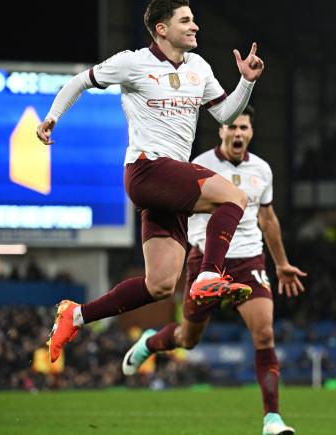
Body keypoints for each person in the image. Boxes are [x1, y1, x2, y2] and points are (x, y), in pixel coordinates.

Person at [35, 0, 265, 363]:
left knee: (159, 286)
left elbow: (224, 113)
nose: (195, 27)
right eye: (186, 21)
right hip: (148, 169)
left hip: (170, 183)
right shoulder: (133, 62)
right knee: (234, 197)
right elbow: (81, 81)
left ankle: (76, 315)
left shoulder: (199, 67)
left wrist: (246, 83)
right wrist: (51, 118)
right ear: (162, 28)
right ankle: (209, 275)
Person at [121, 105, 305, 435]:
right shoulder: (199, 165)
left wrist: (281, 263)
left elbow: (268, 219)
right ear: (221, 131)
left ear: (251, 132)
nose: (238, 133)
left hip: (249, 260)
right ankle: (151, 342)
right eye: (232, 127)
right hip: (206, 261)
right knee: (187, 339)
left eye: (244, 128)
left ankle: (272, 420)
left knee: (264, 334)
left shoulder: (262, 170)